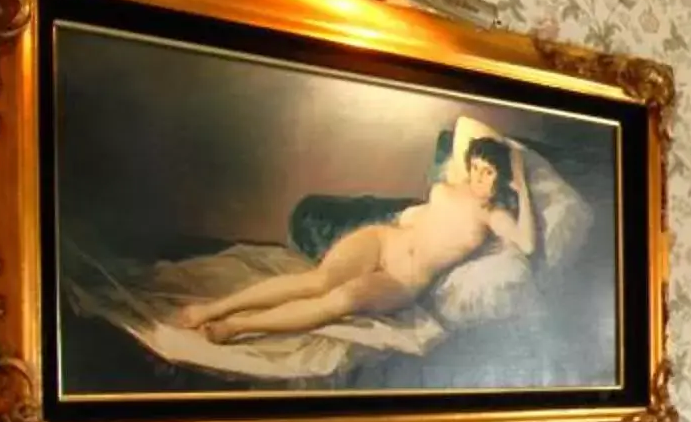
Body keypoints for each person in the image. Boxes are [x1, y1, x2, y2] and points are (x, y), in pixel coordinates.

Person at [177, 135, 537, 342]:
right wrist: (486, 154)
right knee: (317, 280)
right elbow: (466, 132)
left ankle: (236, 326)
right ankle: (214, 308)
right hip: (385, 239)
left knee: (336, 301)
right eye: (475, 167)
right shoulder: (452, 185)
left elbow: (528, 243)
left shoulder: (494, 215)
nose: (478, 177)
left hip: (403, 279)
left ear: (500, 178)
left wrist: (520, 179)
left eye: (488, 172)